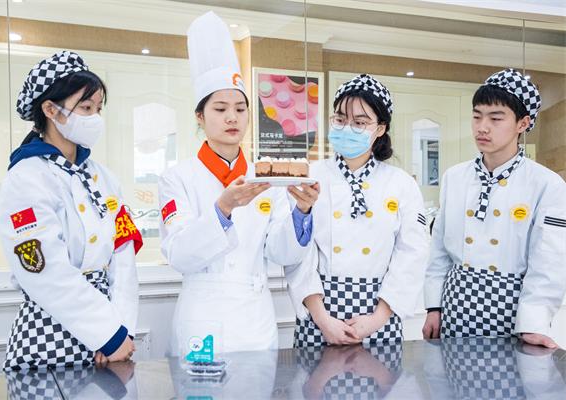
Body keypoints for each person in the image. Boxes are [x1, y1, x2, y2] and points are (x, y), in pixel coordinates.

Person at [158, 11, 319, 354]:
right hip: (201, 320)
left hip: (255, 322)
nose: (232, 117)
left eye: (240, 109)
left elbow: (281, 252)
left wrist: (302, 212)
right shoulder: (178, 178)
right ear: (200, 117)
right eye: (220, 109)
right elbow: (180, 255)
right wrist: (224, 208)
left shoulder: (265, 178)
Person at [0, 51, 143, 370]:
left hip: (113, 336)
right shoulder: (26, 178)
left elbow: (123, 255)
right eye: (86, 108)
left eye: (98, 109)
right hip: (49, 337)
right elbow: (44, 271)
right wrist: (106, 334)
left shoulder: (104, 178)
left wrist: (122, 329)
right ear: (51, 110)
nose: (95, 118)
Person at [422, 68, 566, 348]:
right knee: (454, 375)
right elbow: (439, 251)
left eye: (495, 118)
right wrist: (433, 307)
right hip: (455, 308)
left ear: (523, 123)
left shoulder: (546, 184)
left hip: (511, 313)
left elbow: (549, 263)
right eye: (477, 116)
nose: (482, 127)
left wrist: (533, 324)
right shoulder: (454, 177)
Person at [287, 74, 429, 347]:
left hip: (380, 314)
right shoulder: (310, 176)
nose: (348, 128)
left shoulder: (401, 184)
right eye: (340, 119)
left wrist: (377, 318)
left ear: (380, 128)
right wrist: (322, 318)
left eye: (360, 122)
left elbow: (412, 253)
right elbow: (298, 253)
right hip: (318, 314)